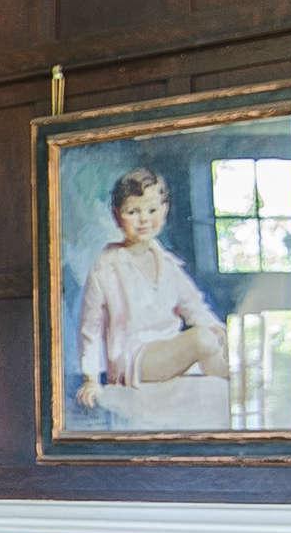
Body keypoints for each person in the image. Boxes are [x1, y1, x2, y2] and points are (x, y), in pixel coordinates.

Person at [74, 168, 227, 409]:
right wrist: (91, 379)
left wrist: (217, 329)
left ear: (164, 211)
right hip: (133, 359)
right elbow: (90, 329)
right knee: (201, 339)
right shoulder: (106, 267)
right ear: (117, 216)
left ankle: (235, 381)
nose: (144, 219)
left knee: (218, 340)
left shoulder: (167, 263)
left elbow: (193, 305)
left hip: (169, 348)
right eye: (133, 212)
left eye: (152, 210)